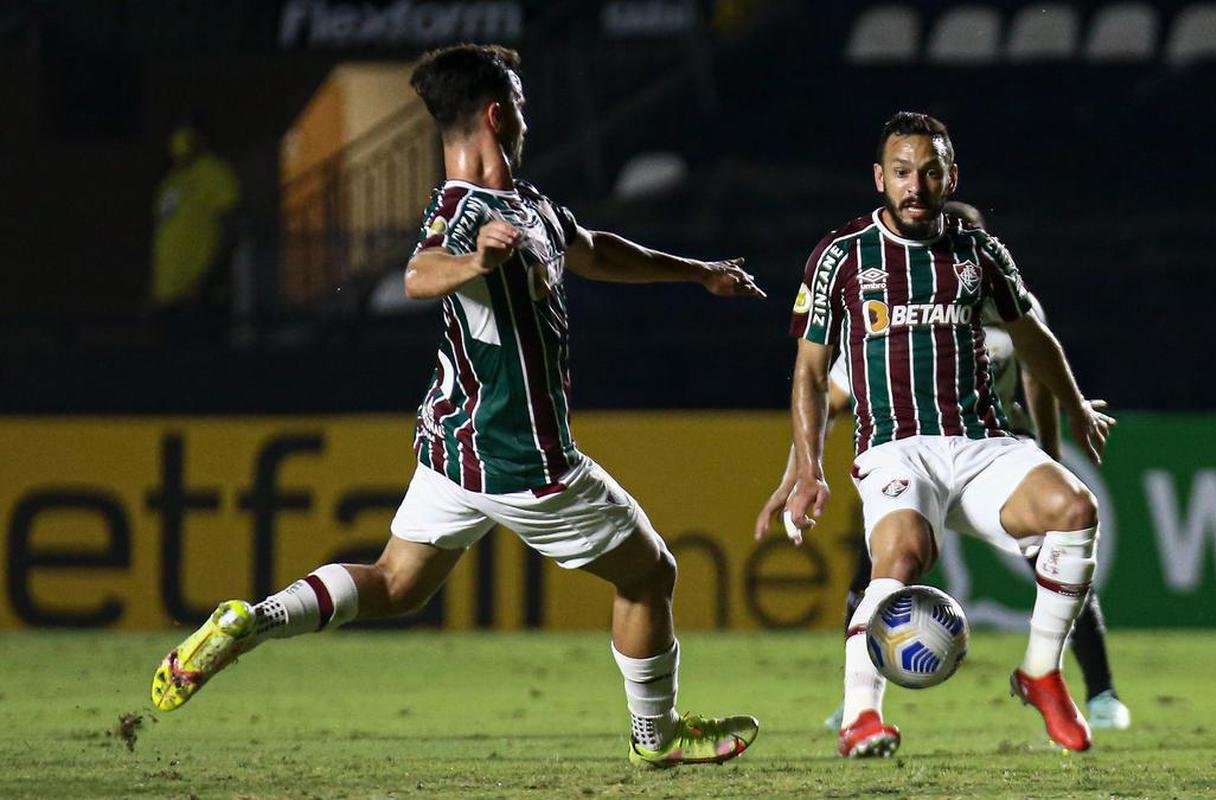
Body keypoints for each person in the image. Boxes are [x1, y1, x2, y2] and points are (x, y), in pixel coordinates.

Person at [150, 44, 765, 769]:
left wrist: (699, 273)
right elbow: (419, 274)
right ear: (499, 113)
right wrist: (475, 264)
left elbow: (594, 247)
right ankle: (655, 738)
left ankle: (252, 620)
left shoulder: (528, 206)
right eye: (523, 106)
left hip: (454, 452)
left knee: (394, 584)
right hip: (523, 458)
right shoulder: (465, 212)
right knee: (651, 573)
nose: (529, 119)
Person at [782, 112, 1117, 756]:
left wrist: (1072, 405)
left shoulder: (980, 253)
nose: (915, 185)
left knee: (1076, 510)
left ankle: (1042, 673)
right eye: (902, 172)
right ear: (880, 178)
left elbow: (1031, 336)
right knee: (899, 561)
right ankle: (860, 717)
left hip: (983, 443)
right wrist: (807, 468)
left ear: (950, 177)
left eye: (929, 172)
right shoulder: (841, 256)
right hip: (896, 446)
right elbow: (810, 371)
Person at [150, 116, 241, 329]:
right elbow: (162, 236)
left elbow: (232, 228)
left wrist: (205, 284)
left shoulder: (214, 172)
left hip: (199, 298)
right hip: (166, 298)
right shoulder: (170, 182)